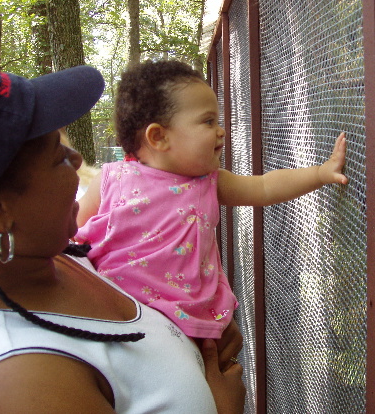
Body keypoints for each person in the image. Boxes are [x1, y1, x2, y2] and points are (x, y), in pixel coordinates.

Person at [0, 65, 245, 413]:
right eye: (58, 156)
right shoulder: (17, 383)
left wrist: (201, 327)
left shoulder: (56, 256)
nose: (77, 161)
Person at [75, 59, 348, 363]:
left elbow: (264, 187)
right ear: (159, 137)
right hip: (118, 317)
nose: (221, 131)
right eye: (208, 122)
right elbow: (73, 238)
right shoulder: (112, 178)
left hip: (189, 330)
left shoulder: (208, 183)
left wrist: (320, 174)